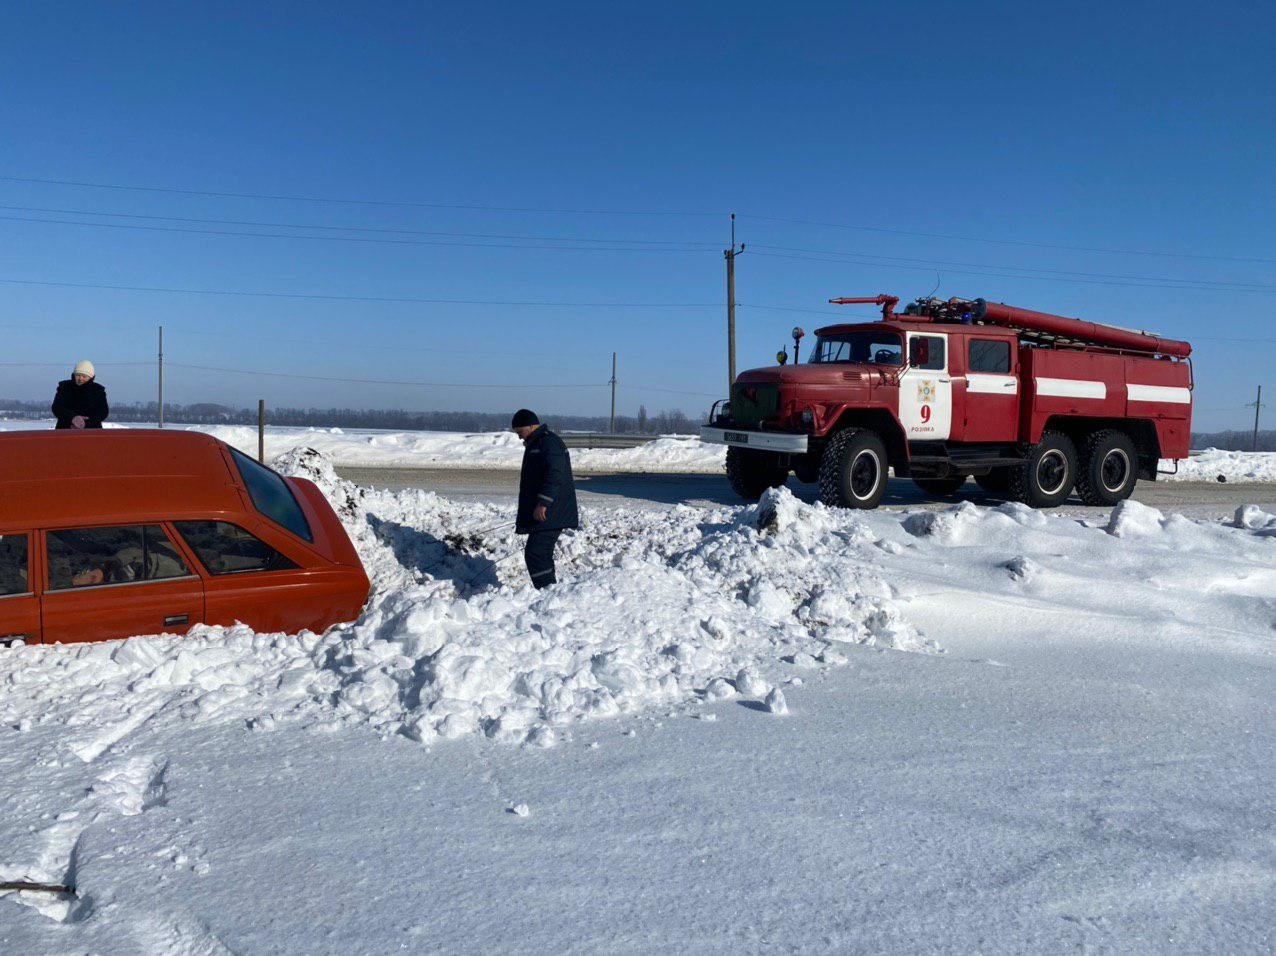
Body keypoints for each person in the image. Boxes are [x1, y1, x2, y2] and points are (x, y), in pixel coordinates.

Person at [512, 409, 578, 588]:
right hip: (550, 510)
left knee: (536, 552)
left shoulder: (548, 442)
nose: (519, 437)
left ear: (531, 425)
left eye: (520, 432)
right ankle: (550, 591)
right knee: (540, 552)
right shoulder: (538, 442)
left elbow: (554, 474)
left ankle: (546, 592)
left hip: (551, 510)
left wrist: (543, 503)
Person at [52, 360, 109, 429]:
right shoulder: (64, 387)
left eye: (84, 376)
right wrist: (73, 418)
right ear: (74, 375)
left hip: (91, 430)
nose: (80, 378)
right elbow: (57, 408)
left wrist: (84, 423)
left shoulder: (98, 390)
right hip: (65, 429)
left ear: (91, 377)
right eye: (78, 375)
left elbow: (103, 412)